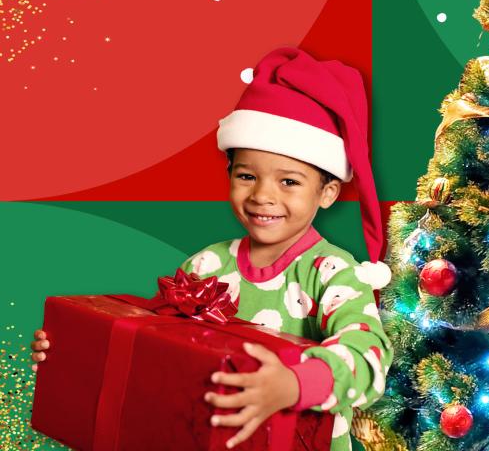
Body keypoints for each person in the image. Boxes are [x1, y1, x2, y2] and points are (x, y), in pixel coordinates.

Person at [31, 47, 394, 451]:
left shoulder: (331, 272)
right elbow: (158, 348)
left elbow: (369, 358)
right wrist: (76, 353)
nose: (262, 196)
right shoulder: (207, 263)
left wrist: (294, 384)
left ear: (327, 193)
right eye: (246, 175)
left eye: (288, 182)